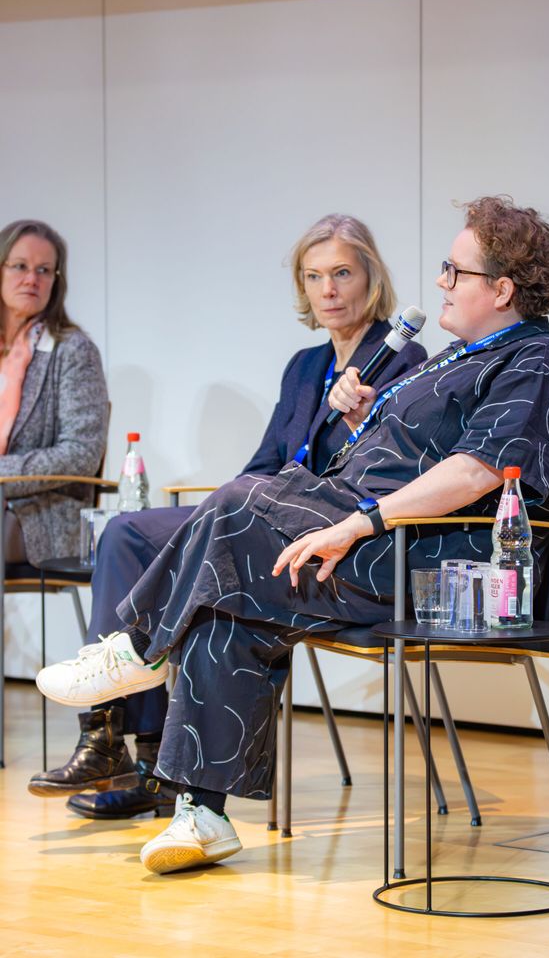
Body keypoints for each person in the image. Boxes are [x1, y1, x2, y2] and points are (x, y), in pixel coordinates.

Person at [37, 196, 549, 875]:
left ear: (501, 289)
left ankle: (139, 649)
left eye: (455, 270)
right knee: (226, 606)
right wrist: (365, 422)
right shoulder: (461, 355)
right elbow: (406, 454)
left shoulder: (537, 362)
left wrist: (359, 521)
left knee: (240, 504)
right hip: (371, 537)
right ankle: (202, 815)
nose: (441, 281)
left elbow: (476, 470)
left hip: (427, 564)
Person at [28, 213, 426, 818]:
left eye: (343, 273)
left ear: (371, 278)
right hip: (260, 510)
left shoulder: (403, 357)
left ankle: (147, 733)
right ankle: (121, 744)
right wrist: (225, 506)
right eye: (314, 276)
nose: (328, 290)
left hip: (325, 533)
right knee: (127, 532)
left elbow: (388, 470)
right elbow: (264, 463)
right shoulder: (303, 366)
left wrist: (354, 420)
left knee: (201, 564)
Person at [0, 220, 107, 566]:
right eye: (20, 266)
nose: (32, 279)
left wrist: (4, 473)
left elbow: (81, 453)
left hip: (41, 514)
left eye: (44, 270)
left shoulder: (73, 350)